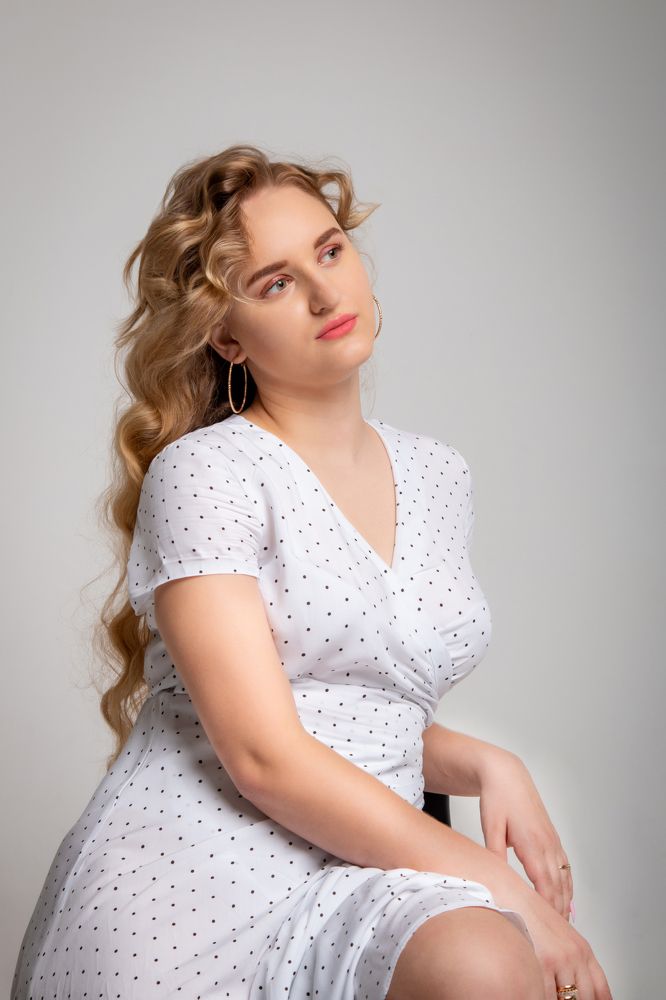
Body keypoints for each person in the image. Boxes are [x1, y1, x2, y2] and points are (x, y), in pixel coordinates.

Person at [11, 144, 613, 1000]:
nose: (326, 294)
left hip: (364, 867)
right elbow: (265, 754)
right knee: (494, 950)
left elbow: (355, 710)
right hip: (190, 896)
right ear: (226, 334)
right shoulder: (206, 474)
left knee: (482, 964)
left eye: (330, 251)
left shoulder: (439, 475)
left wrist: (488, 765)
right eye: (275, 283)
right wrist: (501, 883)